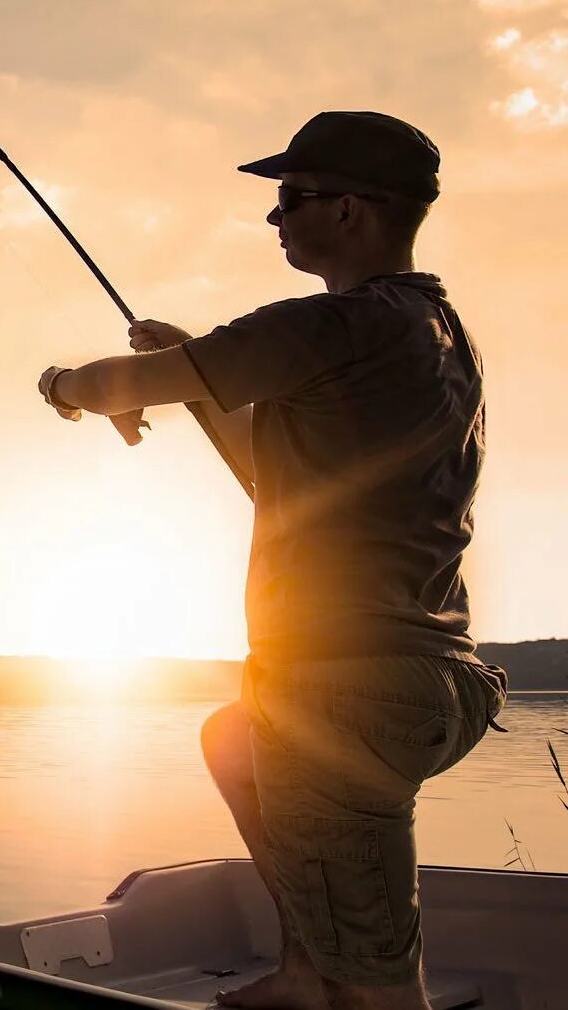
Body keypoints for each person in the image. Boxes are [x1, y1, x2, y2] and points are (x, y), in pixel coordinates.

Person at [33, 111, 508, 1010]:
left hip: (344, 691)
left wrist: (60, 386)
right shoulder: (438, 335)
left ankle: (337, 979)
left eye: (291, 198)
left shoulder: (332, 323)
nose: (275, 218)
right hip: (440, 683)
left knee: (379, 988)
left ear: (351, 212)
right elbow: (270, 472)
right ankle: (299, 970)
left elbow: (109, 386)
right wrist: (194, 375)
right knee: (235, 739)